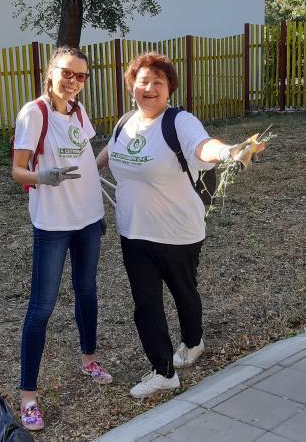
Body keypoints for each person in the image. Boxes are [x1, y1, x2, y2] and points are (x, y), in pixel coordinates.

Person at [96, 52, 253, 399]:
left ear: (169, 89)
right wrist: (87, 169)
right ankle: (163, 371)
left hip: (177, 232)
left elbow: (203, 147)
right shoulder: (125, 123)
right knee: (146, 303)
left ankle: (193, 342)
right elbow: (108, 155)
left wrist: (228, 151)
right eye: (142, 81)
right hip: (133, 233)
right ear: (131, 86)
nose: (149, 88)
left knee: (184, 291)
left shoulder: (180, 122)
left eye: (158, 82)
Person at [10, 46, 112, 430]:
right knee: (42, 308)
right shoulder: (33, 113)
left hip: (88, 219)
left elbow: (87, 159)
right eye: (67, 73)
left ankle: (89, 359)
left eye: (81, 76)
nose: (74, 82)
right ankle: (29, 397)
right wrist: (42, 177)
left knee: (87, 291)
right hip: (53, 224)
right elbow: (17, 171)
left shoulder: (79, 113)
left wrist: (114, 152)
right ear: (50, 72)